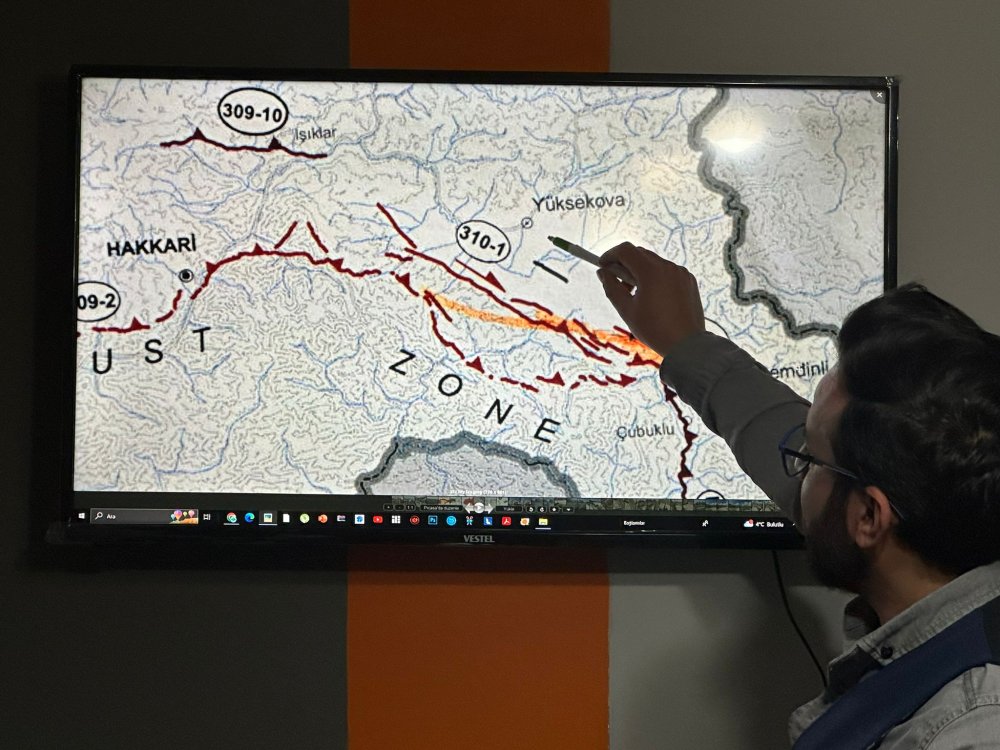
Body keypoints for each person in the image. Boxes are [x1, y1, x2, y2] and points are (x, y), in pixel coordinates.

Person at [597, 242, 1000, 749]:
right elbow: (773, 429)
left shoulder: (966, 728)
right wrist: (685, 342)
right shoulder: (952, 537)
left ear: (868, 517)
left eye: (809, 457)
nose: (793, 466)